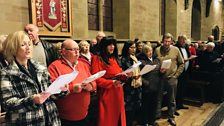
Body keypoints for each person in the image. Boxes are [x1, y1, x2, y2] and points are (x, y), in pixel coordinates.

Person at [0, 31, 62, 125]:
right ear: (13, 47)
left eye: (29, 44)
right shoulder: (6, 73)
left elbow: (50, 94)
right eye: (23, 45)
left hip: (50, 119)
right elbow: (7, 104)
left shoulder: (40, 68)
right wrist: (32, 100)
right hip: (27, 121)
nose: (28, 47)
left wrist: (60, 89)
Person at [48, 39, 96, 126]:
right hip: (66, 117)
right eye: (73, 50)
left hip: (85, 114)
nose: (77, 52)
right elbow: (52, 90)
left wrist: (91, 86)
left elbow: (93, 80)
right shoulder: (54, 66)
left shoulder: (83, 65)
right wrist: (72, 88)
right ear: (63, 51)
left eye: (78, 49)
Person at [91, 37, 127, 126]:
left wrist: (125, 75)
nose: (112, 47)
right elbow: (96, 78)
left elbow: (117, 73)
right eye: (109, 45)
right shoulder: (97, 58)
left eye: (113, 45)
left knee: (119, 119)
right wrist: (111, 83)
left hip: (118, 92)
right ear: (104, 46)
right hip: (107, 93)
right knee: (108, 120)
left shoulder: (114, 58)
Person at [154, 33, 184, 126]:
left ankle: (171, 117)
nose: (166, 43)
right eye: (165, 41)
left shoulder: (176, 50)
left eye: (168, 41)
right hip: (160, 78)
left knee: (172, 99)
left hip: (172, 78)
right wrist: (158, 69)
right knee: (158, 98)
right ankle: (157, 116)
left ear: (171, 41)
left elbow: (181, 63)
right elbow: (153, 62)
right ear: (162, 41)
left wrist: (176, 75)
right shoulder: (157, 50)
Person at [137, 44, 163, 126]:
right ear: (144, 52)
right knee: (145, 105)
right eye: (148, 51)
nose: (150, 53)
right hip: (147, 87)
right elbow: (139, 74)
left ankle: (152, 120)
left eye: (151, 50)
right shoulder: (141, 61)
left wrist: (162, 71)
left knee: (154, 104)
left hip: (156, 85)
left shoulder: (157, 60)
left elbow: (159, 72)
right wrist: (145, 83)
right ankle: (145, 122)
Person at [120, 40, 142, 126]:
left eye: (134, 47)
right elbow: (122, 74)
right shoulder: (123, 59)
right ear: (127, 48)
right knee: (128, 110)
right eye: (131, 47)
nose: (134, 49)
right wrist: (130, 76)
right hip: (128, 88)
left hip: (136, 86)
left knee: (135, 109)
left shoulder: (134, 57)